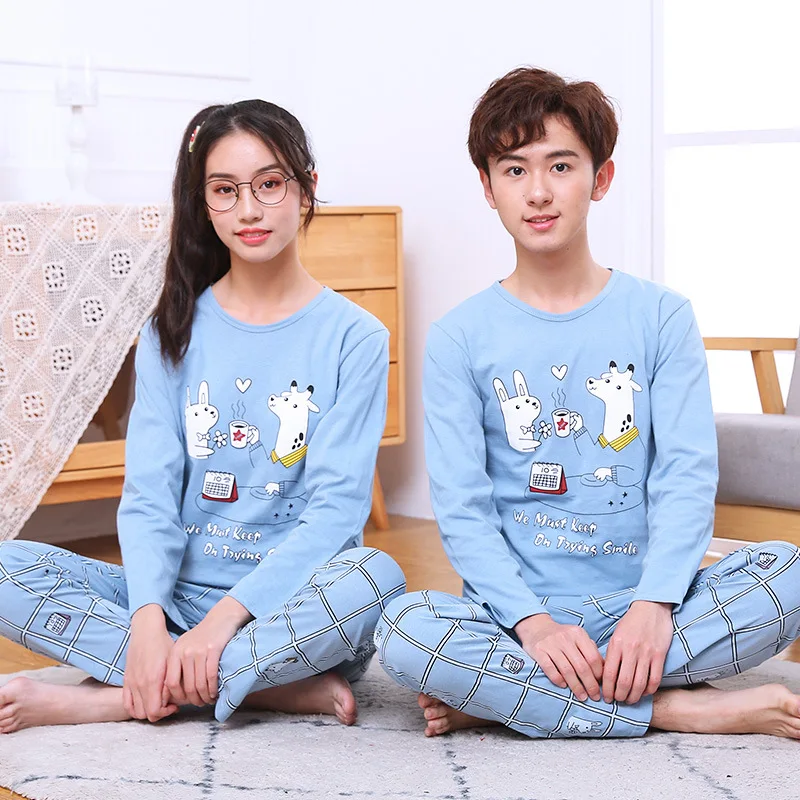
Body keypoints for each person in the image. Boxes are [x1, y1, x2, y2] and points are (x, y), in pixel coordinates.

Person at [375, 68, 800, 740]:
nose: (538, 192)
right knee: (403, 632)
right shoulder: (460, 336)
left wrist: (654, 604)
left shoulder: (661, 316)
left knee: (790, 575)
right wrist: (533, 624)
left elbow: (686, 475)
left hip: (646, 609)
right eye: (514, 170)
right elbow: (462, 508)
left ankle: (510, 696)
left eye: (561, 166)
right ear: (487, 187)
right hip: (514, 620)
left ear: (600, 179)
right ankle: (673, 708)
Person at [0, 100, 405, 734]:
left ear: (306, 189)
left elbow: (336, 515)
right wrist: (148, 620)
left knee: (376, 578)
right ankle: (262, 689)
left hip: (288, 612)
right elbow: (149, 497)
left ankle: (117, 697)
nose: (248, 210)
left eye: (269, 184)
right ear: (204, 203)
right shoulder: (171, 332)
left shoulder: (356, 338)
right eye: (225, 190)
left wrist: (221, 625)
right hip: (180, 599)